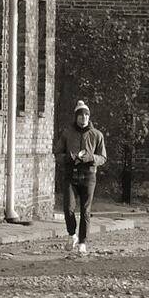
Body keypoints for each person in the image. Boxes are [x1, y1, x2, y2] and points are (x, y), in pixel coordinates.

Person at [54, 100, 107, 256]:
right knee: (68, 208)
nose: (84, 118)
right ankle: (72, 234)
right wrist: (68, 158)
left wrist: (91, 158)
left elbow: (103, 157)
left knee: (85, 210)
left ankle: (83, 242)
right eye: (81, 115)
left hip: (88, 175)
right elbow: (57, 153)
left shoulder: (97, 135)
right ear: (76, 117)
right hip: (71, 174)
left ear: (89, 117)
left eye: (86, 115)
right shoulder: (67, 134)